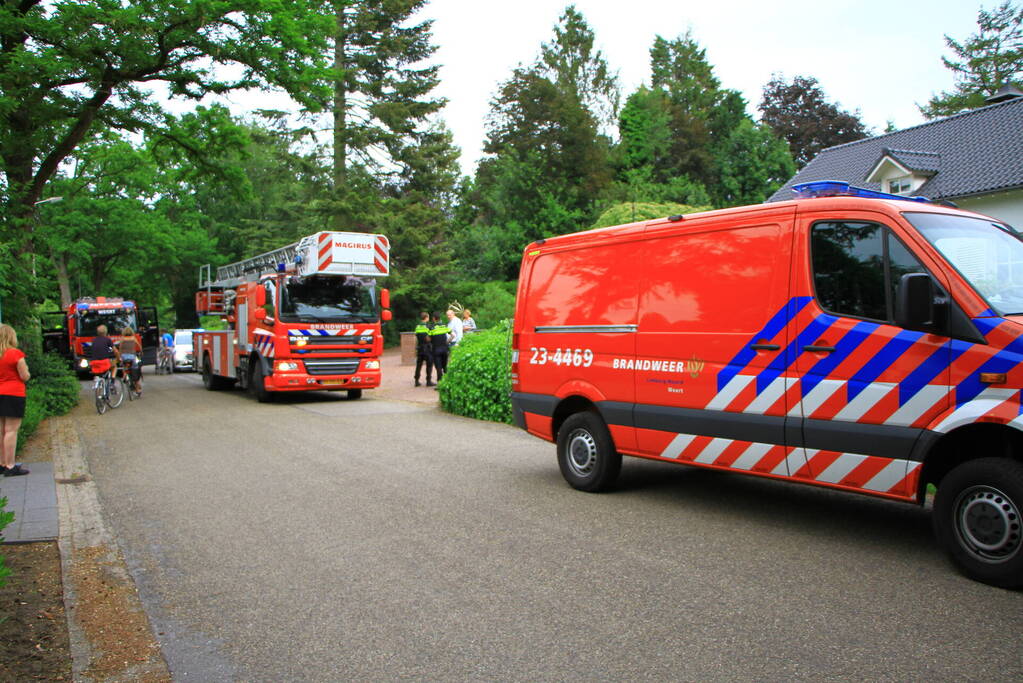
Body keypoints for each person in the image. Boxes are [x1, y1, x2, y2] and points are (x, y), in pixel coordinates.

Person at [0, 324, 32, 477]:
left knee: (0, 431)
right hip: (13, 394)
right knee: (11, 430)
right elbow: (24, 376)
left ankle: (1, 463)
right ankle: (10, 465)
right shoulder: (15, 354)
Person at [117, 326, 143, 392]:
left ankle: (124, 375)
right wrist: (141, 352)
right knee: (136, 369)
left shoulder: (122, 339)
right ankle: (137, 386)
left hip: (124, 356)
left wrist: (119, 356)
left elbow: (120, 348)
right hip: (132, 356)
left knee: (123, 366)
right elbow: (139, 346)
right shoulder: (133, 338)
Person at [413, 311, 435, 387]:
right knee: (429, 365)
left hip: (420, 348)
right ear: (426, 318)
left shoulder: (417, 327)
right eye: (428, 317)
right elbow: (429, 338)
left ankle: (416, 381)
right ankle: (428, 381)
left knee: (418, 365)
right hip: (427, 348)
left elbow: (416, 337)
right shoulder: (428, 327)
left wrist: (416, 348)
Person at [428, 311, 450, 382]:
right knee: (445, 366)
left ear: (434, 318)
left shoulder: (432, 328)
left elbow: (428, 338)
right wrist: (447, 342)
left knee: (438, 367)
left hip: (436, 349)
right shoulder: (444, 326)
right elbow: (453, 335)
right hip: (445, 349)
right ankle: (447, 381)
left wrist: (431, 341)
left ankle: (440, 382)